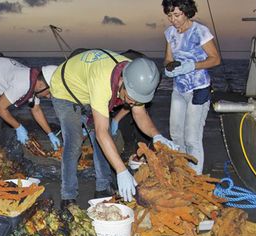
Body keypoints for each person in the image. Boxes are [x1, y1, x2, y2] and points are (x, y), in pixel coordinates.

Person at [48, 49, 179, 207]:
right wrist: (121, 170)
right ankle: (67, 195)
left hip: (87, 89)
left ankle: (103, 187)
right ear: (122, 82)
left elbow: (140, 114)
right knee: (74, 143)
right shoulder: (102, 81)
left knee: (103, 140)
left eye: (138, 100)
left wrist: (157, 136)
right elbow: (101, 133)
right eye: (131, 98)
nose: (132, 104)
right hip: (65, 91)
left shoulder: (136, 77)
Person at [162, 0, 221, 175]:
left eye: (177, 15)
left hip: (199, 90)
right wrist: (170, 67)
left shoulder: (200, 31)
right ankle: (183, 173)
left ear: (187, 12)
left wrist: (192, 66)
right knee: (176, 134)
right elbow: (168, 58)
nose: (173, 19)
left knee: (191, 138)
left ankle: (195, 179)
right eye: (170, 15)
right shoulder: (170, 33)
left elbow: (215, 59)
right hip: (179, 89)